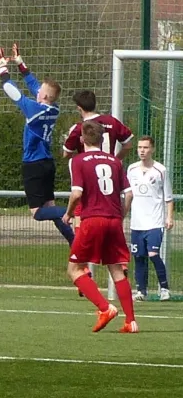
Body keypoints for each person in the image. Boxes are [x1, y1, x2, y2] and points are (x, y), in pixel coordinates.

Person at [0, 43, 74, 246]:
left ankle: (73, 211)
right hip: (47, 164)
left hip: (34, 164)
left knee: (37, 212)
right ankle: (74, 240)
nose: (37, 91)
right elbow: (35, 86)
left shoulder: (34, 110)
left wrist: (2, 68)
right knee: (49, 206)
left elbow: (12, 90)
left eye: (40, 92)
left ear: (43, 97)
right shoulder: (53, 108)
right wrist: (20, 64)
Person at [62, 120, 138, 333]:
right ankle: (131, 321)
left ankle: (105, 308)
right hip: (114, 220)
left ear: (82, 139)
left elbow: (77, 193)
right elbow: (129, 193)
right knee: (116, 268)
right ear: (103, 138)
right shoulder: (115, 161)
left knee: (74, 269)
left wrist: (68, 214)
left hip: (92, 219)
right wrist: (120, 214)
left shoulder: (79, 160)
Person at [63, 90, 134, 295]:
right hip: (111, 179)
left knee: (82, 222)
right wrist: (116, 159)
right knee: (110, 227)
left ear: (79, 108)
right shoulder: (112, 121)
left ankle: (83, 270)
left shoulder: (80, 128)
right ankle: (118, 264)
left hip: (89, 178)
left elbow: (66, 153)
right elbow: (128, 143)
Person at [127, 136, 174, 302]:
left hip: (154, 222)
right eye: (140, 147)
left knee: (153, 253)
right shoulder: (132, 169)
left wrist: (169, 217)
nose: (142, 150)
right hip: (136, 223)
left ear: (152, 149)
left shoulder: (160, 170)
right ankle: (141, 290)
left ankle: (164, 288)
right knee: (139, 256)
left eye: (145, 147)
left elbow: (168, 197)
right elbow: (128, 195)